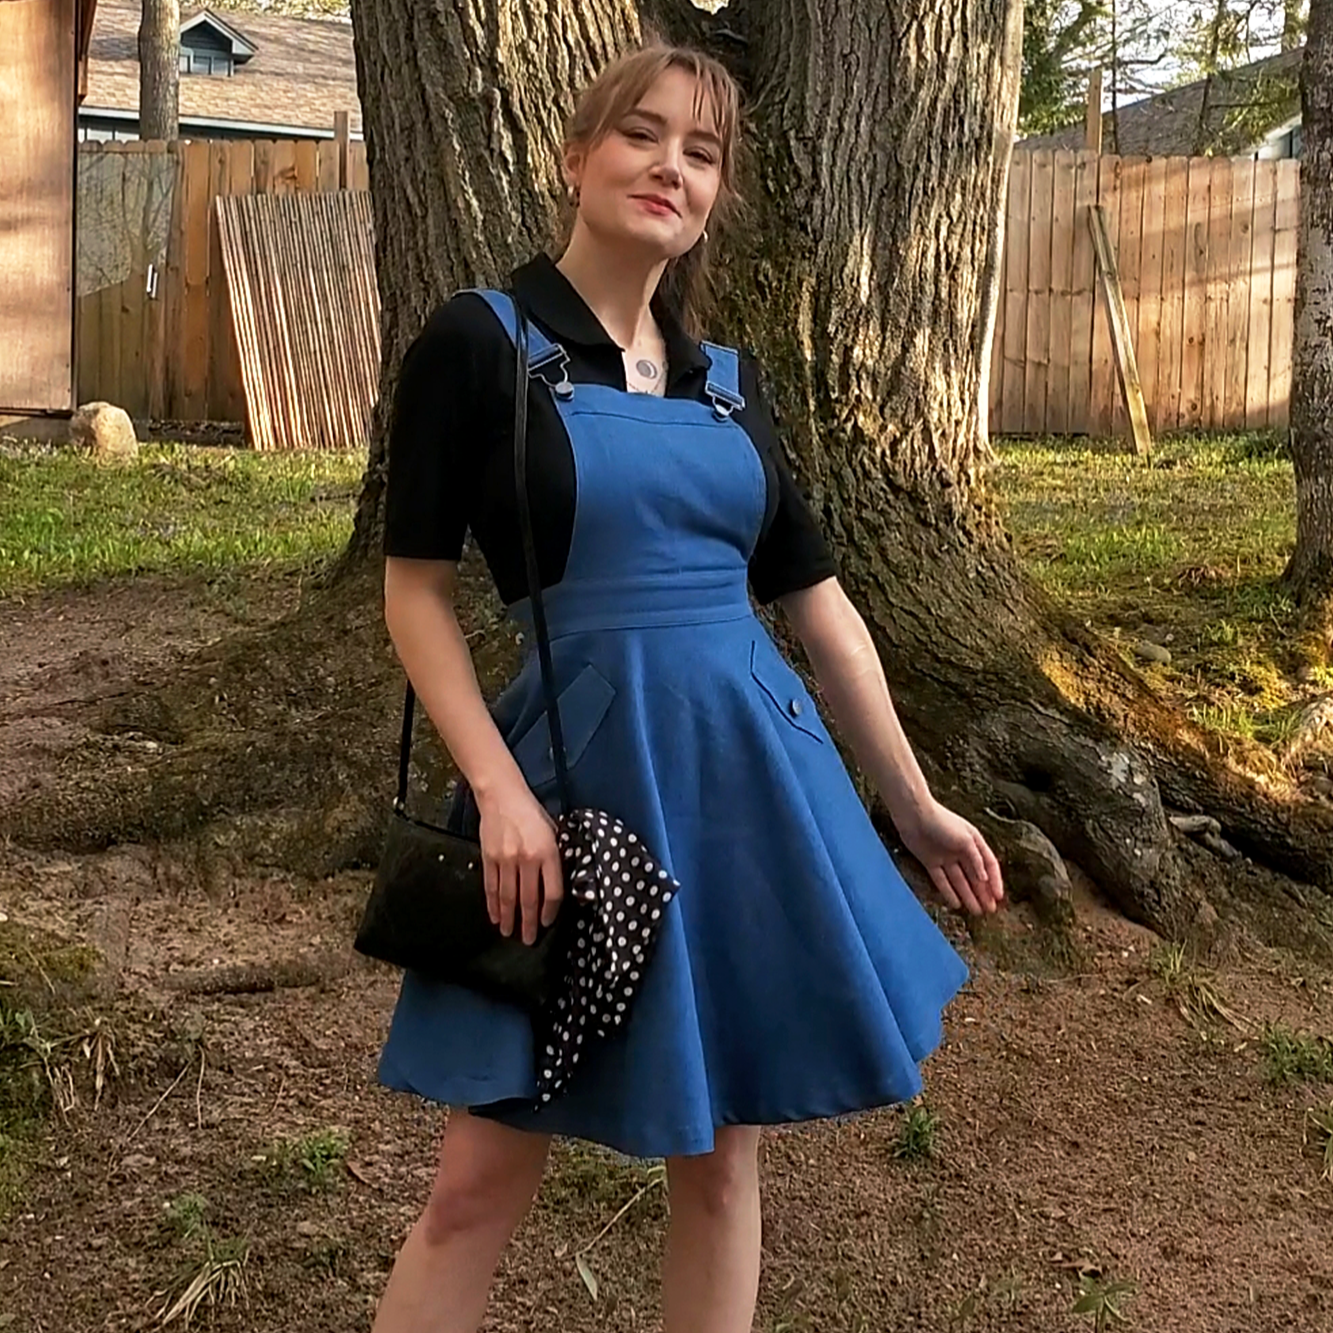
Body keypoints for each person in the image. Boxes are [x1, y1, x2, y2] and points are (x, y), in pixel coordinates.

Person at [371, 42, 1004, 1333]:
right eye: (642, 135)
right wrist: (498, 791)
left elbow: (822, 610)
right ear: (577, 157)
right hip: (576, 792)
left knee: (721, 1161)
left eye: (701, 153)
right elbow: (414, 591)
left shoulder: (730, 386)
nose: (671, 167)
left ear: (716, 196)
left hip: (747, 787)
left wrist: (914, 806)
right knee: (476, 1181)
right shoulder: (478, 344)